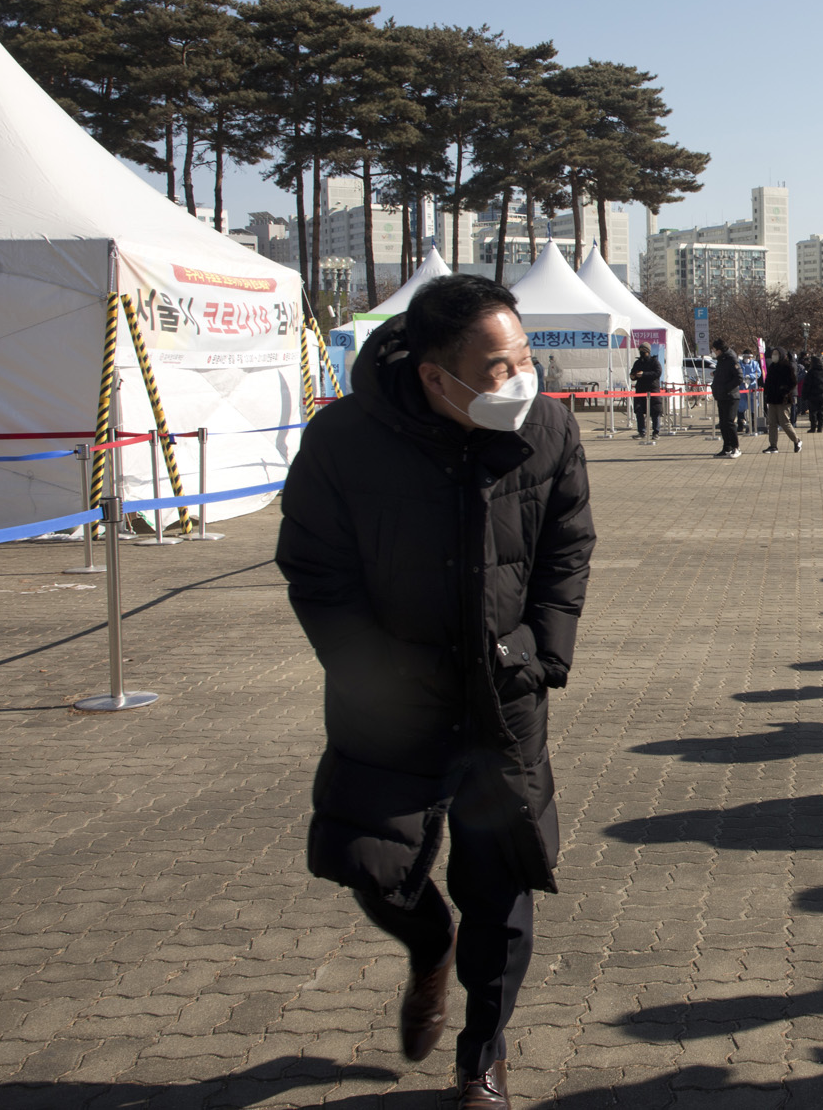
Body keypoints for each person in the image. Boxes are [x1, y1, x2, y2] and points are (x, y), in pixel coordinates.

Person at [276, 274, 596, 1110]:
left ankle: (479, 1061)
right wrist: (371, 672)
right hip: (391, 704)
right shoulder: (344, 440)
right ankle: (429, 944)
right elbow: (315, 569)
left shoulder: (550, 427)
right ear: (433, 375)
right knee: (371, 865)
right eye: (497, 367)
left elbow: (568, 548)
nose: (519, 379)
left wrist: (537, 649)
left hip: (504, 697)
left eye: (525, 357)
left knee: (502, 884)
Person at [761, 347, 801, 453]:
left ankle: (797, 440)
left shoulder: (787, 366)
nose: (774, 356)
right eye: (773, 354)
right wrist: (767, 393)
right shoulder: (772, 367)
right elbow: (768, 382)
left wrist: (784, 391)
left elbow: (793, 382)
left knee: (784, 422)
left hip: (783, 399)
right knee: (772, 423)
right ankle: (773, 445)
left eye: (776, 354)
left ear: (781, 355)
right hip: (772, 399)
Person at [710, 338, 743, 458]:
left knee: (729, 422)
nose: (713, 351)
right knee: (723, 423)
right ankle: (726, 447)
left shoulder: (731, 359)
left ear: (719, 350)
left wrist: (726, 388)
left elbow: (739, 377)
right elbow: (723, 374)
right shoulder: (721, 360)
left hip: (731, 396)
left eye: (714, 349)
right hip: (721, 396)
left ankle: (736, 447)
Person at [631, 342, 662, 443]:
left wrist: (644, 374)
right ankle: (641, 432)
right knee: (639, 411)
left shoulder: (654, 362)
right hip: (640, 391)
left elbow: (657, 373)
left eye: (643, 351)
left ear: (647, 351)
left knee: (655, 411)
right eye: (640, 351)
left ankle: (656, 432)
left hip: (652, 390)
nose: (641, 352)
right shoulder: (638, 362)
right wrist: (633, 376)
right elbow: (633, 373)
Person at [803, 353, 823, 433]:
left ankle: (813, 427)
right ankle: (820, 427)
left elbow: (807, 385)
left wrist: (804, 395)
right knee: (822, 411)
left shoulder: (811, 372)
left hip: (813, 395)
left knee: (813, 412)